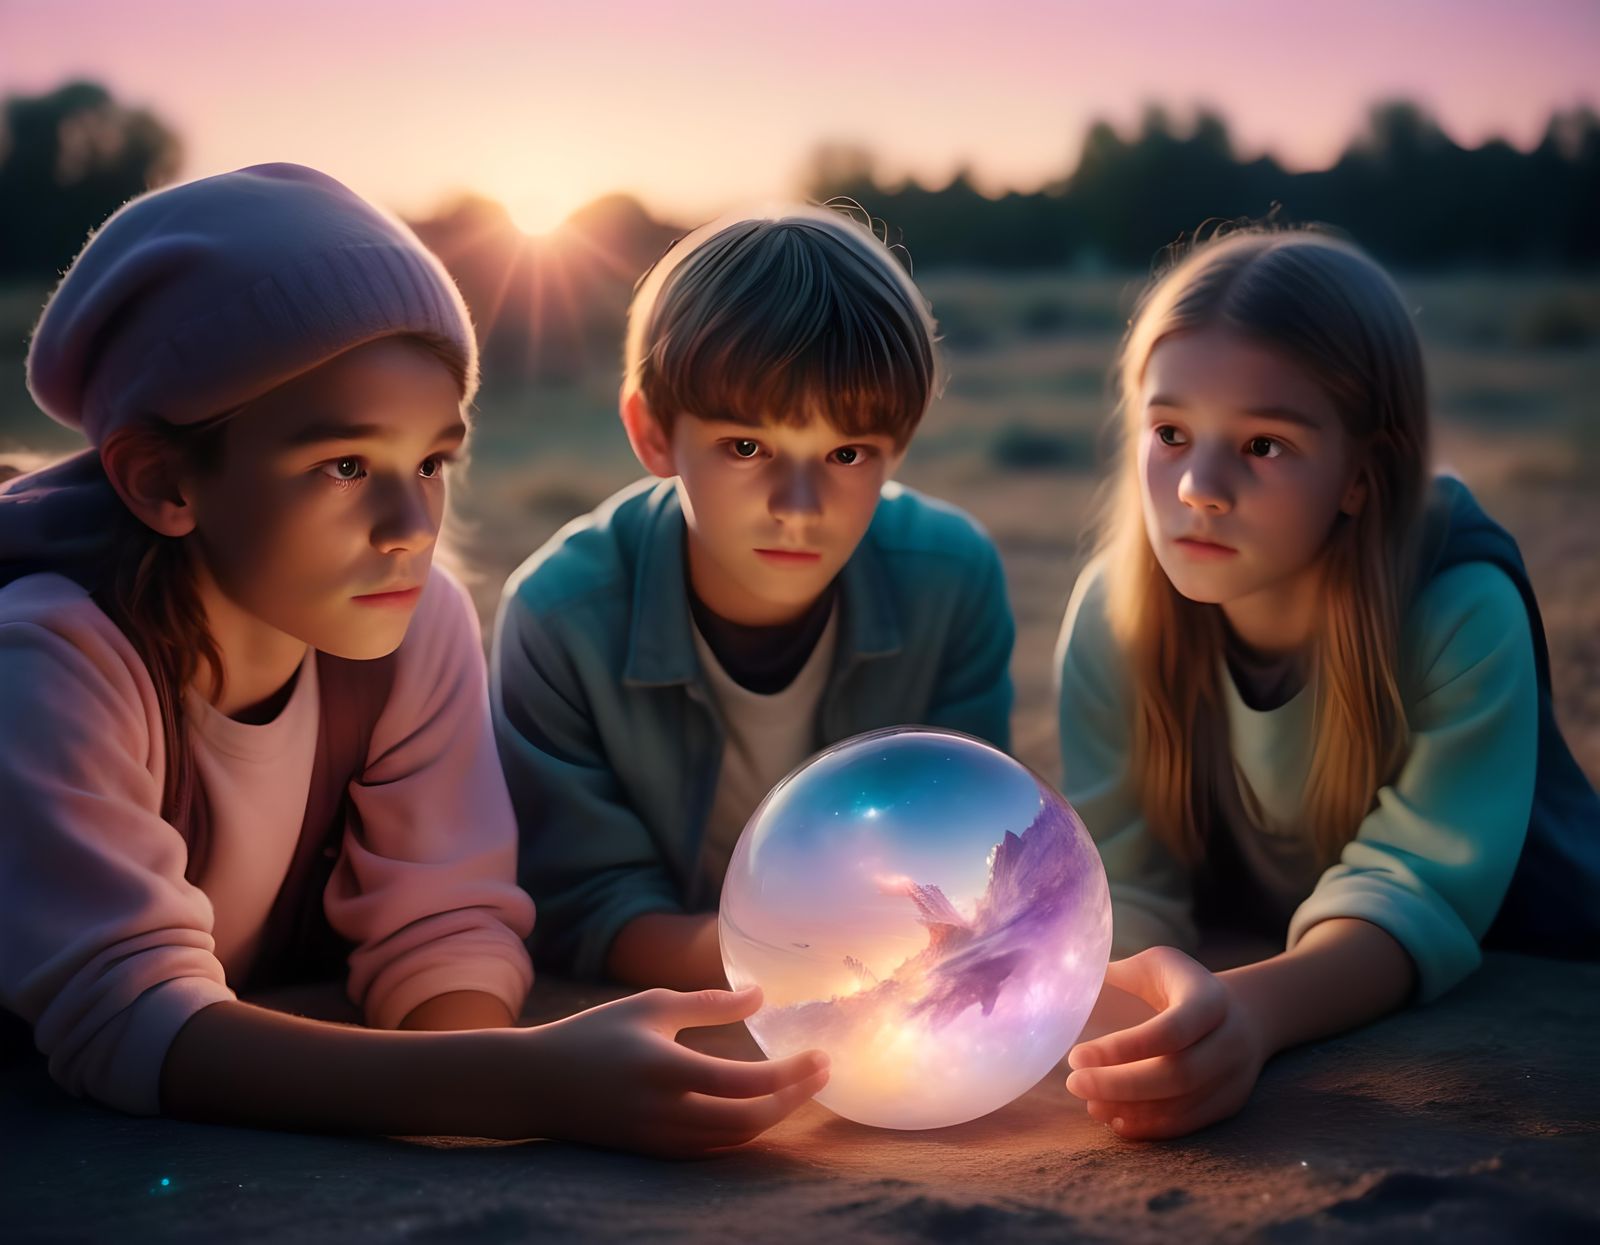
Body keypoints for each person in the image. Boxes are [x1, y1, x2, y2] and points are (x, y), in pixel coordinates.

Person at [0, 164, 826, 1155]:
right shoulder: (54, 658)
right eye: (345, 466)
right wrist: (528, 1085)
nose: (409, 528)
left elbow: (442, 926)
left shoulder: (411, 626)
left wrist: (493, 1074)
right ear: (162, 480)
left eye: (431, 462)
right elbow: (129, 1025)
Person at [1053, 225, 1600, 1140]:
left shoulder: (1459, 608)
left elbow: (1415, 890)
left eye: (1263, 444)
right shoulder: (1116, 611)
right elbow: (1122, 876)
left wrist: (1251, 1014)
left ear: (1361, 473)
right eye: (1171, 431)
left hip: (1522, 945)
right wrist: (1157, 991)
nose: (1200, 486)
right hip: (1261, 941)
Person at [493, 204, 1015, 990]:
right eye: (747, 446)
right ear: (654, 434)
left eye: (846, 452)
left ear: (897, 449)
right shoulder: (558, 615)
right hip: (687, 999)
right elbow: (585, 902)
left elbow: (970, 841)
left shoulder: (953, 578)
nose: (799, 504)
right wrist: (794, 962)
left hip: (891, 1011)